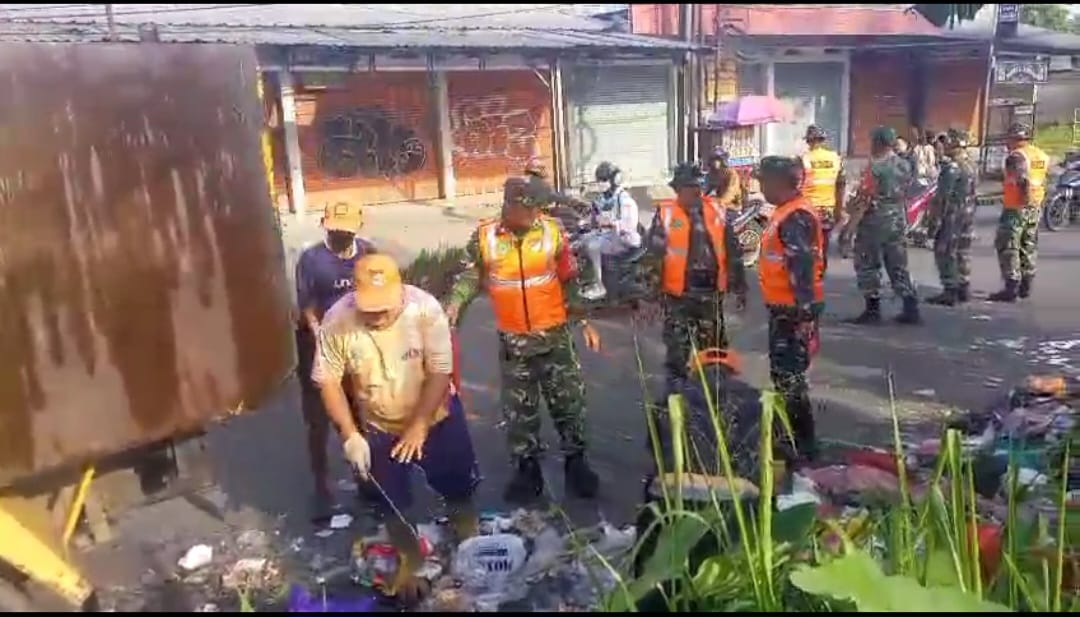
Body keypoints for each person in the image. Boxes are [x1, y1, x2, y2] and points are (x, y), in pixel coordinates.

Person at [314, 253, 480, 602]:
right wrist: (350, 434)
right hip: (381, 423)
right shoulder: (337, 320)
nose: (378, 316)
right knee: (393, 503)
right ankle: (411, 561)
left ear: (400, 292)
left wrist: (419, 426)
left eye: (385, 309)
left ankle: (470, 546)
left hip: (436, 416)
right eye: (370, 309)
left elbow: (440, 371)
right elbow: (328, 381)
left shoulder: (425, 310)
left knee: (458, 487)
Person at [446, 177, 603, 504]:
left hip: (554, 337)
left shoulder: (552, 232)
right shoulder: (486, 236)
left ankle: (576, 463)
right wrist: (455, 305)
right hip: (514, 342)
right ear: (511, 205)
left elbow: (569, 279)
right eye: (530, 208)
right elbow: (470, 275)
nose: (536, 214)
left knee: (568, 403)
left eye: (538, 208)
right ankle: (527, 469)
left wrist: (583, 321)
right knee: (520, 410)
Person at [294, 201, 377, 519]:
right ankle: (321, 485)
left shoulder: (368, 254)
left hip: (356, 342)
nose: (341, 236)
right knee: (318, 418)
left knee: (360, 410)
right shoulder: (311, 260)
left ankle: (365, 476)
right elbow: (308, 308)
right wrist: (322, 343)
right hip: (317, 341)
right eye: (335, 230)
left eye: (346, 231)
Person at [643, 161, 747, 392]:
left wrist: (739, 286)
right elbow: (653, 257)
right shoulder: (666, 214)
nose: (695, 192)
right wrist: (650, 297)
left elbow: (733, 250)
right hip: (679, 296)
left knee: (713, 353)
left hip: (710, 294)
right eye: (689, 187)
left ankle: (715, 395)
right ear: (678, 190)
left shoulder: (717, 210)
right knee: (677, 353)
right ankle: (676, 398)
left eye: (698, 186)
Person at [756, 156, 825, 464]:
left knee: (790, 378)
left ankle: (804, 445)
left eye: (764, 181)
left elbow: (803, 267)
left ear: (779, 182)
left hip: (794, 312)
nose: (761, 187)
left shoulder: (795, 216)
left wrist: (804, 315)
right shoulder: (786, 211)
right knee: (784, 375)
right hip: (785, 309)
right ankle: (792, 438)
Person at [847, 126, 921, 325]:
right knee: (898, 263)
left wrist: (849, 228)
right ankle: (910, 307)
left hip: (875, 221)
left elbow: (864, 200)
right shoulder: (905, 165)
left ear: (878, 143)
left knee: (867, 263)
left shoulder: (875, 169)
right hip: (897, 218)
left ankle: (872, 310)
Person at [989, 122, 1050, 302]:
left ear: (1014, 138)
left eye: (1009, 139)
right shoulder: (1040, 155)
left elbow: (1023, 180)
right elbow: (1042, 179)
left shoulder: (1016, 156)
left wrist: (1024, 200)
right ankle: (1026, 285)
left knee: (1008, 245)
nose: (1006, 143)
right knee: (1028, 244)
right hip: (1035, 206)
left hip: (1016, 207)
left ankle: (1011, 286)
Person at [925, 129, 977, 306]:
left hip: (953, 215)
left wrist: (933, 222)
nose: (943, 144)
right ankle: (964, 286)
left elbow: (942, 198)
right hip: (968, 213)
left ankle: (950, 289)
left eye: (946, 141)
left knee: (945, 251)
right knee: (963, 250)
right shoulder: (971, 164)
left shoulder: (952, 168)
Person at [580, 161, 642, 301]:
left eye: (604, 180)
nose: (601, 183)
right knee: (583, 240)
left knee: (593, 246)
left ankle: (600, 285)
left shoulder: (624, 199)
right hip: (610, 237)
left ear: (614, 180)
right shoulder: (603, 199)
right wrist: (587, 222)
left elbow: (629, 225)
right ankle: (589, 279)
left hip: (625, 240)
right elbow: (596, 218)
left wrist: (611, 223)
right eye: (599, 180)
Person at [799, 125, 846, 272]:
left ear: (809, 141)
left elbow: (795, 185)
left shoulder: (803, 159)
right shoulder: (835, 158)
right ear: (823, 140)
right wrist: (839, 209)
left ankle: (809, 272)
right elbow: (841, 185)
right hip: (828, 209)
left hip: (807, 209)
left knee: (807, 242)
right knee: (823, 242)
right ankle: (820, 271)